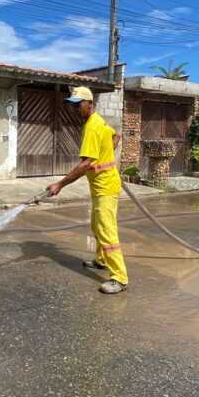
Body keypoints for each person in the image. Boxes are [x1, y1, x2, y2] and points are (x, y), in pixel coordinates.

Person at [47, 86, 128, 294]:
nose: (75, 109)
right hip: (104, 184)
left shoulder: (92, 127)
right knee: (96, 225)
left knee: (106, 230)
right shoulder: (96, 121)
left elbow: (84, 165)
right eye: (72, 105)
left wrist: (59, 185)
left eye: (78, 104)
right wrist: (107, 155)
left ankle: (119, 277)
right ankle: (101, 260)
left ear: (90, 104)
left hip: (106, 187)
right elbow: (115, 136)